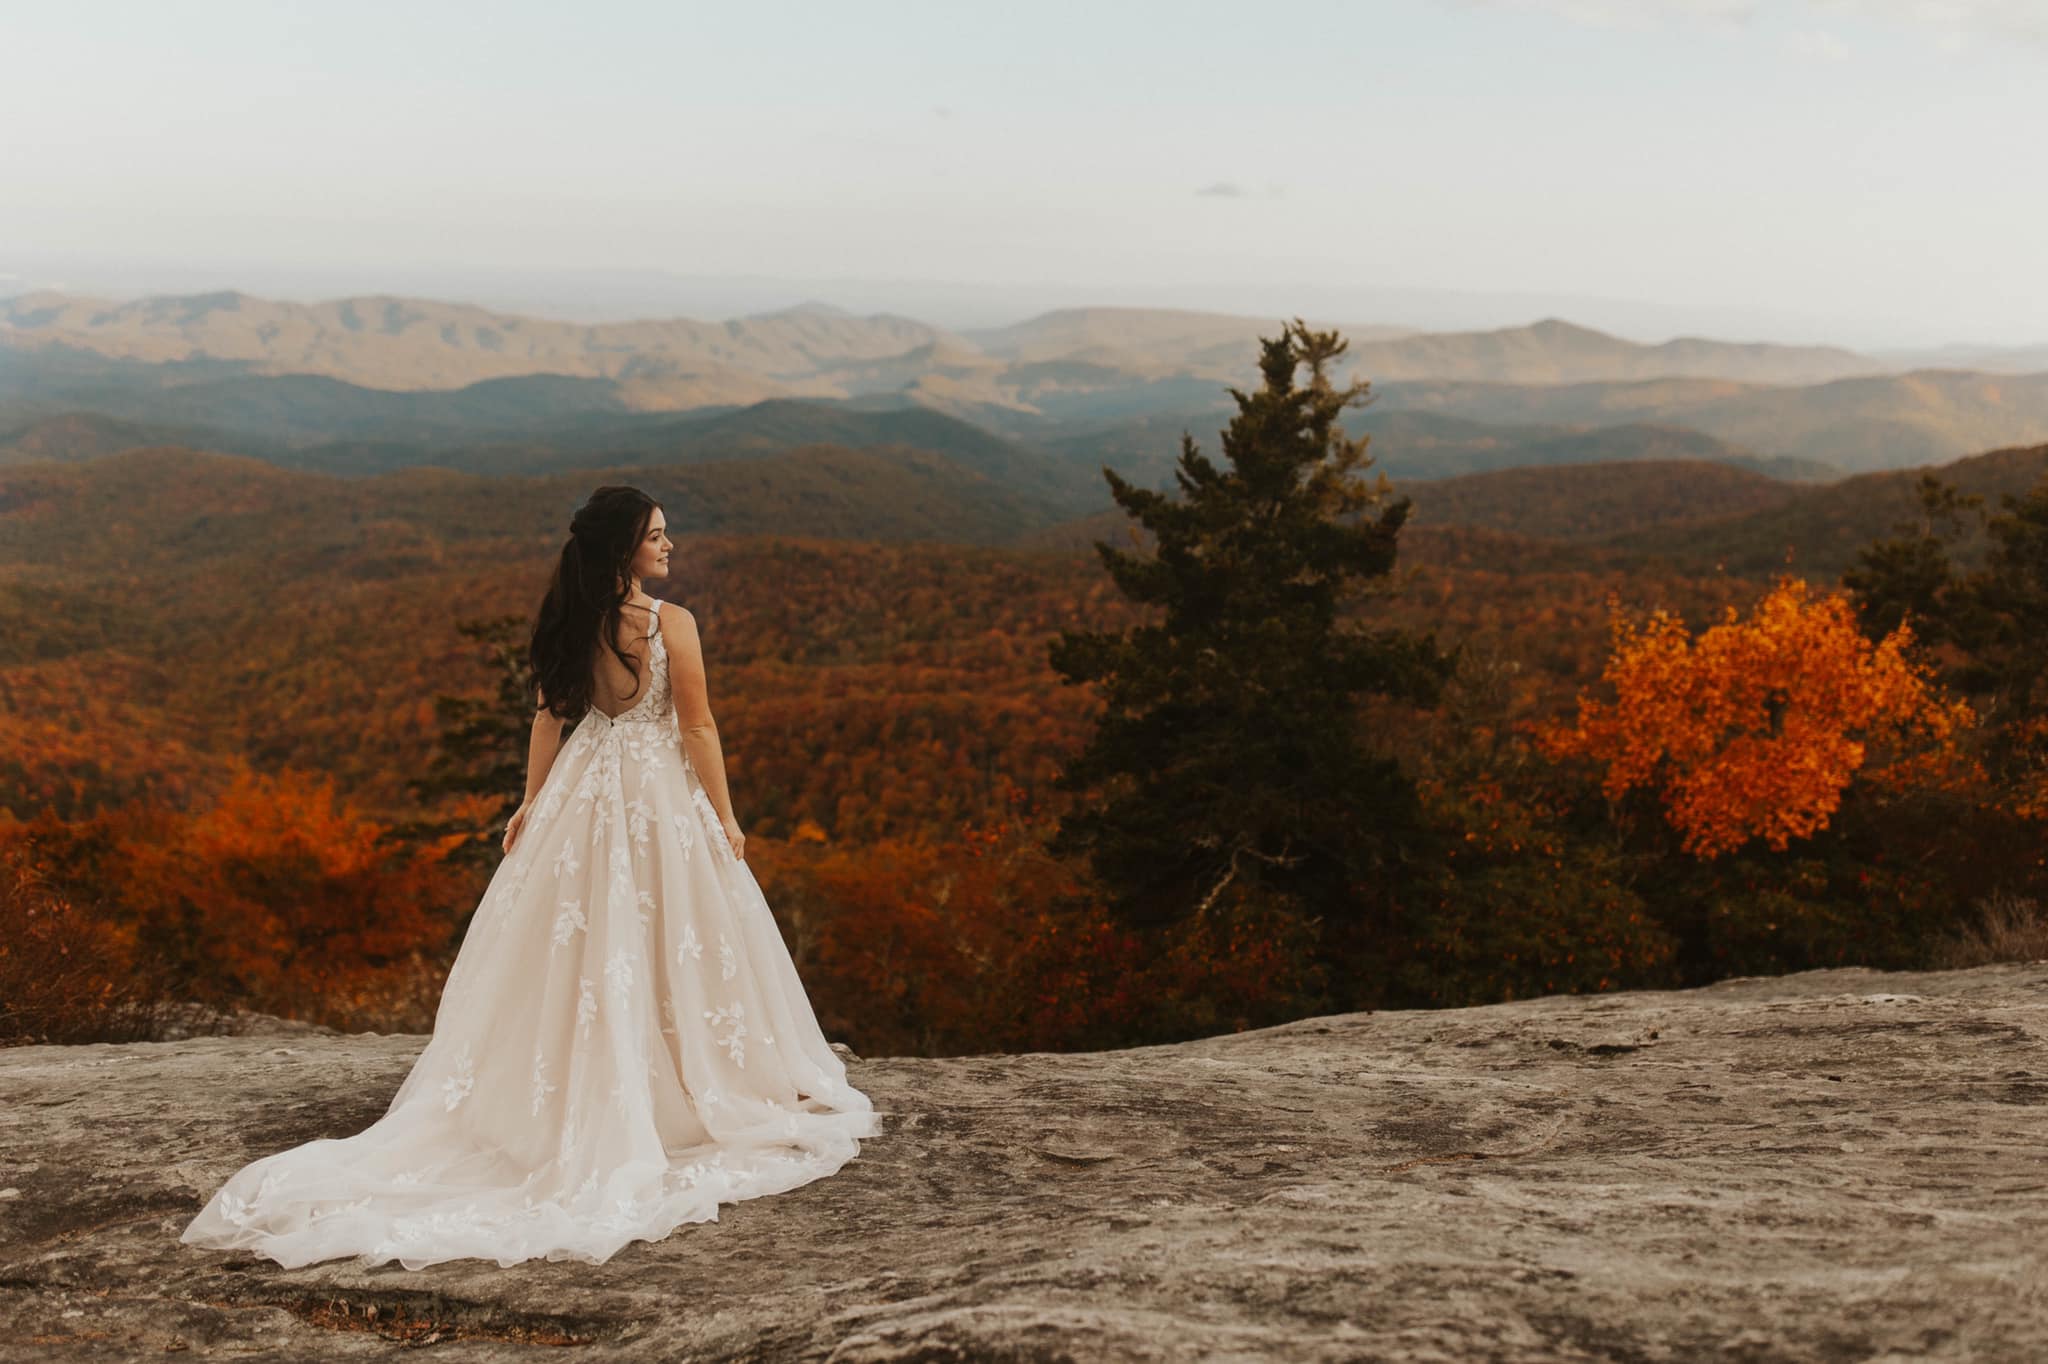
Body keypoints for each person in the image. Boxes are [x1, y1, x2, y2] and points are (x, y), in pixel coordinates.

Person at [180, 485, 882, 1270]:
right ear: (624, 549)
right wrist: (725, 816)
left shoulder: (570, 618)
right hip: (655, 791)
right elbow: (697, 726)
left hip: (587, 785)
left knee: (583, 939)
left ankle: (593, 1086)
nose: (669, 545)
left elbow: (551, 717)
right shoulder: (671, 624)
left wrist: (531, 803)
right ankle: (683, 1083)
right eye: (657, 535)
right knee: (668, 931)